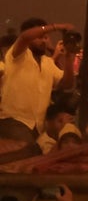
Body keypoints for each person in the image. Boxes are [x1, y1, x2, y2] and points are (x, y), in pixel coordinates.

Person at [0, 20, 72, 149]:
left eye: (45, 38)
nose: (43, 41)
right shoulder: (17, 54)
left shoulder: (48, 63)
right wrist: (57, 26)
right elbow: (25, 37)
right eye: (39, 37)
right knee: (28, 154)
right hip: (13, 121)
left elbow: (67, 84)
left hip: (37, 127)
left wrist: (69, 58)